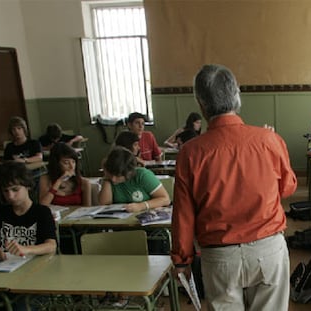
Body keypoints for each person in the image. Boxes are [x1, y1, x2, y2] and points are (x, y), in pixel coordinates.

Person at [171, 64, 297, 311]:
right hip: (268, 248)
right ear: (237, 96)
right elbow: (288, 188)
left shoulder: (190, 152)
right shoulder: (269, 140)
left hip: (219, 256)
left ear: (201, 104)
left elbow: (183, 214)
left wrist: (182, 261)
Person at [0, 161, 57, 261]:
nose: (10, 196)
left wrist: (26, 249)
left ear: (28, 186)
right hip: (3, 267)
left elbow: (51, 245)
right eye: (5, 191)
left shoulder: (42, 212)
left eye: (15, 190)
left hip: (34, 266)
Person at [98, 146, 170, 212]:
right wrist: (107, 176)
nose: (113, 179)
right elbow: (105, 204)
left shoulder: (142, 175)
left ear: (129, 172)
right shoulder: (109, 177)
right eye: (111, 174)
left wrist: (141, 206)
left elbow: (165, 199)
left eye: (119, 176)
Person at [39, 142, 91, 206]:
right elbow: (43, 205)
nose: (72, 166)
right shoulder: (45, 179)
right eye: (66, 162)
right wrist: (59, 181)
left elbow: (88, 209)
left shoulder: (84, 182)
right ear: (56, 164)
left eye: (73, 162)